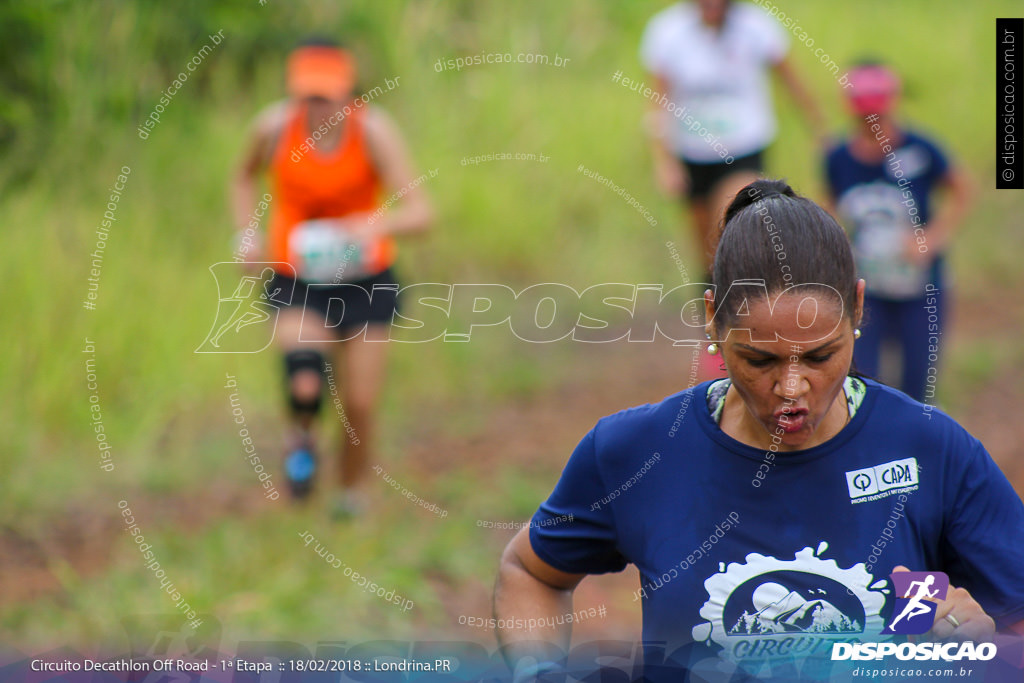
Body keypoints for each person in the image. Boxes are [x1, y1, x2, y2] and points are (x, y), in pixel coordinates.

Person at [494, 180, 1024, 681]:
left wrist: (976, 649)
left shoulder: (929, 449)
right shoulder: (637, 453)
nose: (792, 387)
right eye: (759, 359)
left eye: (820, 356)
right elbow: (531, 571)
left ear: (858, 308)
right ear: (712, 320)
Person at [231, 38, 433, 517]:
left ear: (348, 92)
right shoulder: (273, 127)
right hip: (297, 276)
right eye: (308, 96)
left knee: (359, 402)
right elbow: (242, 176)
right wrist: (246, 235)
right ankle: (301, 443)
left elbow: (422, 213)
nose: (318, 107)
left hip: (366, 279)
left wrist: (372, 223)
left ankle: (351, 494)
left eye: (326, 95)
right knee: (304, 379)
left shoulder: (375, 132)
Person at [640, 0, 826, 278]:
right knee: (707, 251)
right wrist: (664, 161)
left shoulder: (757, 26)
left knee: (732, 226)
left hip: (743, 147)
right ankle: (711, 308)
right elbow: (658, 102)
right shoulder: (667, 31)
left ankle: (751, 303)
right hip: (693, 152)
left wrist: (819, 128)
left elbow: (791, 80)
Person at [825, 61, 971, 403]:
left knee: (918, 384)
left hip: (921, 289)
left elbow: (962, 189)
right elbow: (830, 208)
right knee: (863, 380)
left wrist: (933, 237)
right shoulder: (838, 159)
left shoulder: (921, 150)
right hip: (866, 291)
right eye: (864, 118)